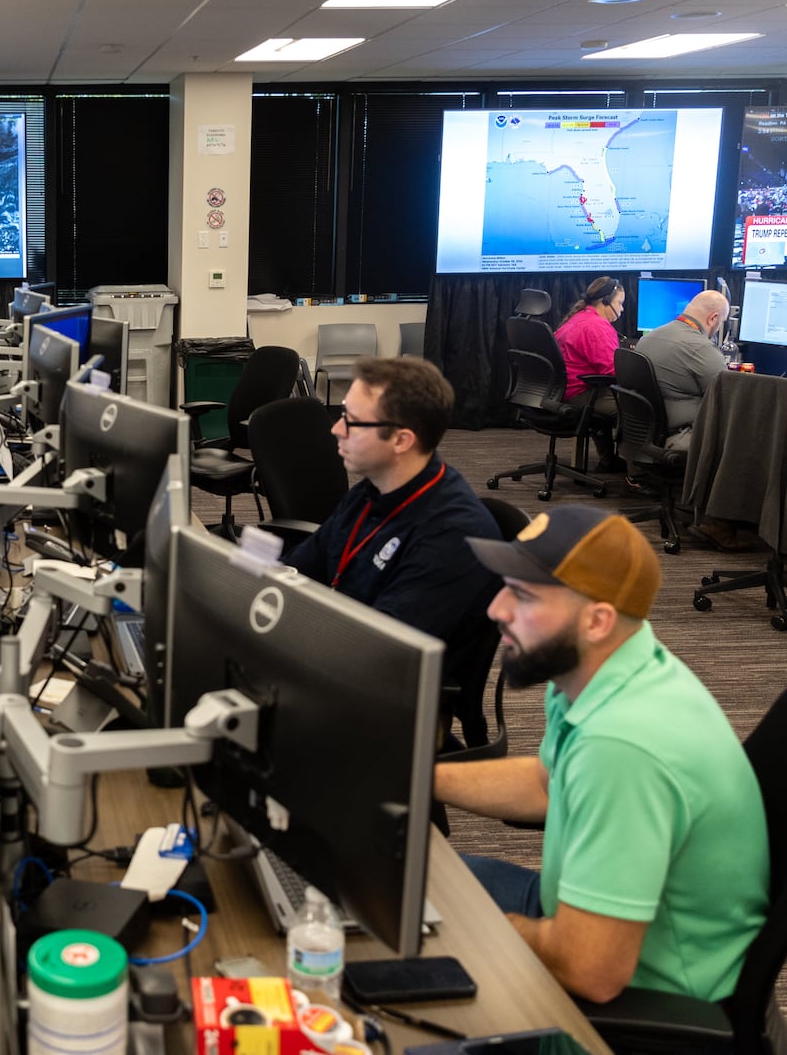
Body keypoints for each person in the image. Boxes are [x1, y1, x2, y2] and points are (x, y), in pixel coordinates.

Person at [445, 504, 768, 1004]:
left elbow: (589, 970)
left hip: (647, 994)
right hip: (576, 919)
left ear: (597, 620)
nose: (496, 610)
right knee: (407, 882)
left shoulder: (622, 744)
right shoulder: (596, 668)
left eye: (523, 595)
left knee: (400, 951)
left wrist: (478, 929)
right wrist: (416, 775)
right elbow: (546, 785)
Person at [284, 356, 502, 744]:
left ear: (402, 439)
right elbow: (300, 569)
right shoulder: (373, 489)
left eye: (351, 421)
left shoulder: (453, 534)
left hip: (392, 703)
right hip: (342, 662)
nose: (336, 429)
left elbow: (381, 654)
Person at [631, 289, 727, 453]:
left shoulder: (647, 338)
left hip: (644, 432)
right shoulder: (701, 347)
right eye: (721, 322)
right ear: (713, 318)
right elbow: (727, 397)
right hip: (681, 436)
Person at [552, 276, 624, 470]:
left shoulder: (579, 318)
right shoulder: (598, 327)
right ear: (606, 301)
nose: (622, 309)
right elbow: (612, 370)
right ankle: (639, 476)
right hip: (578, 394)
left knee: (615, 396)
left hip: (561, 392)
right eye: (620, 303)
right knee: (636, 407)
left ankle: (608, 460)